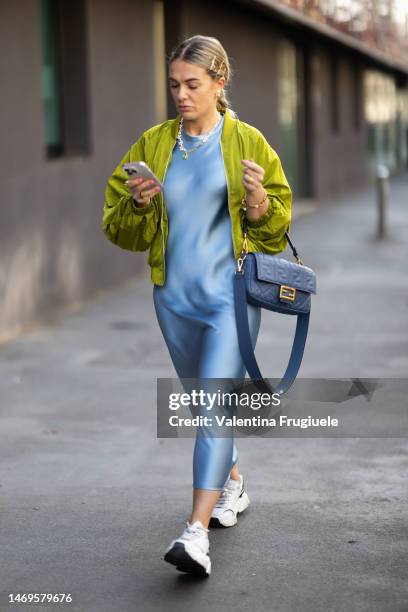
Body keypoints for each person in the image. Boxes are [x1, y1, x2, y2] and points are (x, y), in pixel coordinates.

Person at [103, 34, 292, 577]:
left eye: (192, 84)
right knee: (207, 411)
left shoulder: (248, 142)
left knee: (211, 409)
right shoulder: (154, 144)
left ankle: (195, 534)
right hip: (173, 302)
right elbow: (117, 227)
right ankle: (233, 484)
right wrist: (138, 204)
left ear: (219, 83)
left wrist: (258, 203)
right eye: (174, 85)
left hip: (229, 303)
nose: (181, 95)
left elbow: (277, 227)